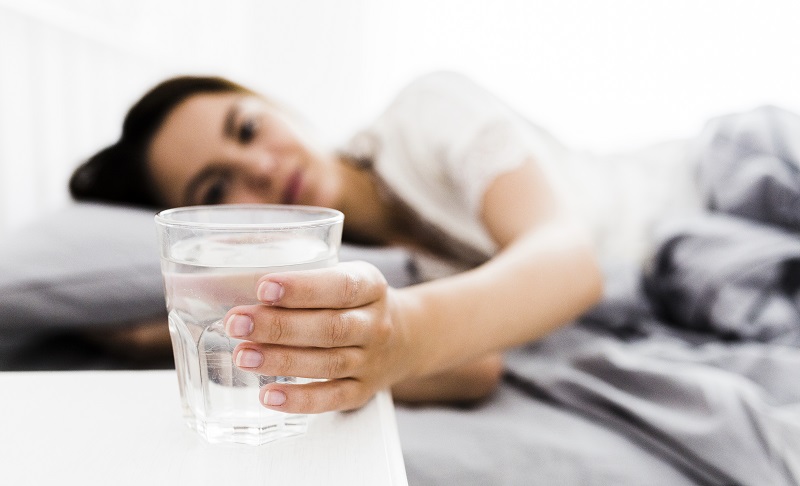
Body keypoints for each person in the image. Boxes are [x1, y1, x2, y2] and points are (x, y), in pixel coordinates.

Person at [70, 71, 619, 414]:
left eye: (247, 128)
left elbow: (571, 259)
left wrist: (407, 331)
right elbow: (478, 368)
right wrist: (189, 344)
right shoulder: (334, 267)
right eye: (216, 190)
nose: (261, 168)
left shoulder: (426, 113)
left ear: (270, 101)